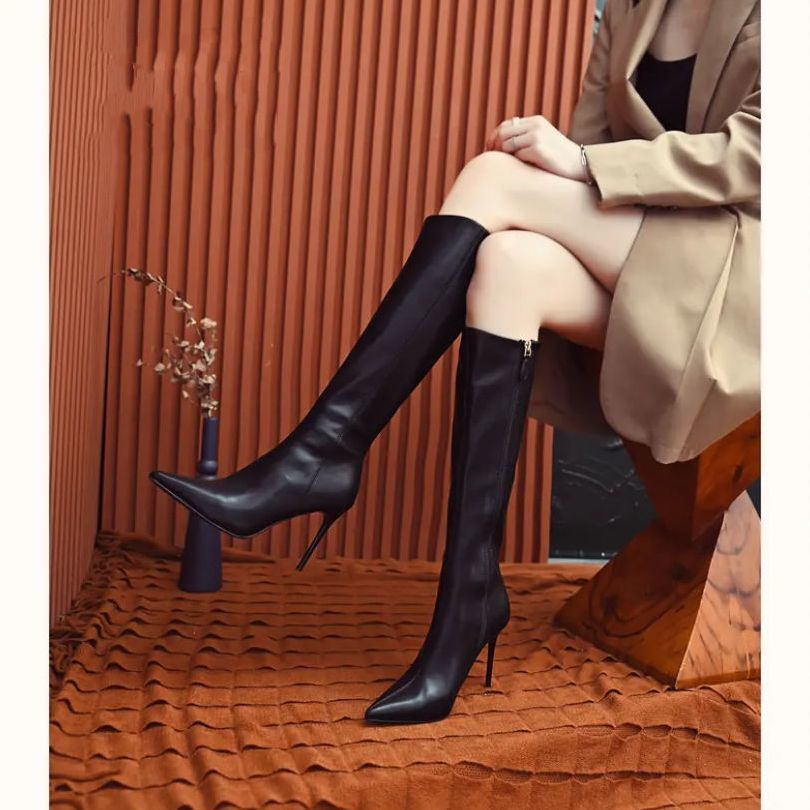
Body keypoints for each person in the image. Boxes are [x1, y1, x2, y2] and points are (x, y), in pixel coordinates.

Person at [150, 0, 760, 725]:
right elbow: (586, 156)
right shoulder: (630, 8)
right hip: (649, 254)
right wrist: (571, 160)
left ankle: (323, 452)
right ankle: (468, 598)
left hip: (743, 269)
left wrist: (580, 162)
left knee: (493, 177)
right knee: (507, 266)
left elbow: (761, 156)